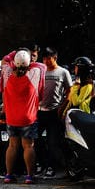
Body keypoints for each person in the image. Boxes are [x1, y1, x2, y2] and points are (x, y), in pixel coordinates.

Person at [0, 48, 46, 184]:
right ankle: (30, 176)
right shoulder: (34, 73)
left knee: (12, 146)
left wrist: (15, 53)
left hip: (11, 118)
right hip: (28, 118)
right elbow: (41, 66)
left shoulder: (7, 73)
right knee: (28, 146)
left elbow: (4, 60)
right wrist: (27, 58)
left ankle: (8, 175)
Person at [36, 47, 70, 179]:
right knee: (35, 139)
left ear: (55, 58)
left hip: (54, 112)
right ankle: (39, 164)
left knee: (52, 142)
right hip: (39, 111)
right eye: (44, 58)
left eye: (48, 58)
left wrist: (62, 107)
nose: (46, 61)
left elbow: (69, 92)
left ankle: (51, 167)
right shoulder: (40, 71)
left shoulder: (63, 72)